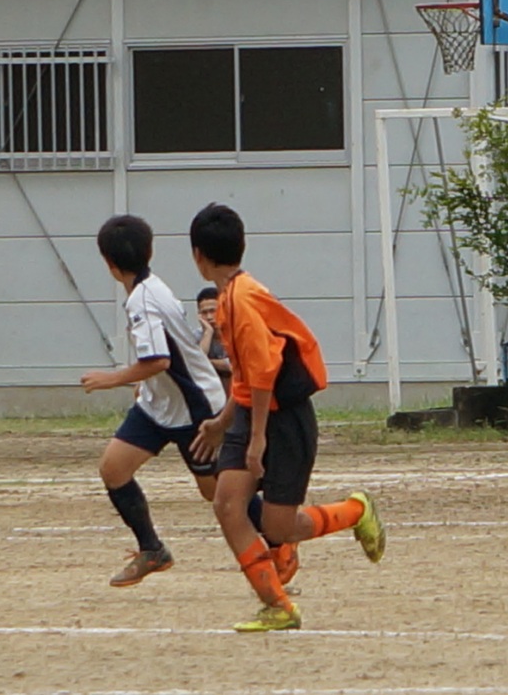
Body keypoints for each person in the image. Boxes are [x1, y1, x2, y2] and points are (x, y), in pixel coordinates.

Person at [188, 202, 386, 632]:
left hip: (283, 419)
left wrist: (257, 438)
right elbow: (246, 376)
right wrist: (224, 422)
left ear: (198, 256)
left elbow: (264, 371)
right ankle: (278, 605)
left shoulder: (241, 300)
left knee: (279, 526)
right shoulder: (230, 298)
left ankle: (356, 510)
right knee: (227, 504)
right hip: (252, 413)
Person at [81, 214, 272, 588]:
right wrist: (145, 386)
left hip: (193, 406)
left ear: (109, 263)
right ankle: (152, 550)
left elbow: (159, 361)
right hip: (158, 405)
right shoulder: (150, 288)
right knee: (113, 469)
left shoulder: (143, 301)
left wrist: (111, 378)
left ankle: (278, 542)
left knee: (216, 491)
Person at [196, 286, 232, 396]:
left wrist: (207, 363)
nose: (209, 317)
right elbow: (197, 365)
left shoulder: (235, 333)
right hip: (210, 393)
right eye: (204, 313)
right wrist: (208, 332)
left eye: (213, 311)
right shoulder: (198, 335)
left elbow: (232, 366)